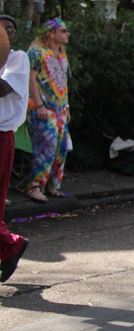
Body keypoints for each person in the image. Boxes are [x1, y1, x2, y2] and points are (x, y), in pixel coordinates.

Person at [25, 18, 71, 203]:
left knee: (61, 148)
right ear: (51, 33)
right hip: (43, 108)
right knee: (46, 148)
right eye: (63, 31)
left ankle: (53, 186)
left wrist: (67, 107)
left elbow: (64, 83)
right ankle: (35, 187)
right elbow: (30, 80)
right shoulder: (37, 53)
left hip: (60, 109)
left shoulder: (61, 54)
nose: (67, 34)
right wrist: (39, 105)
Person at [0, 22, 29, 282]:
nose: (3, 31)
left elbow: (3, 89)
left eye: (8, 28)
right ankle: (10, 245)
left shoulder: (18, 58)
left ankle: (11, 245)